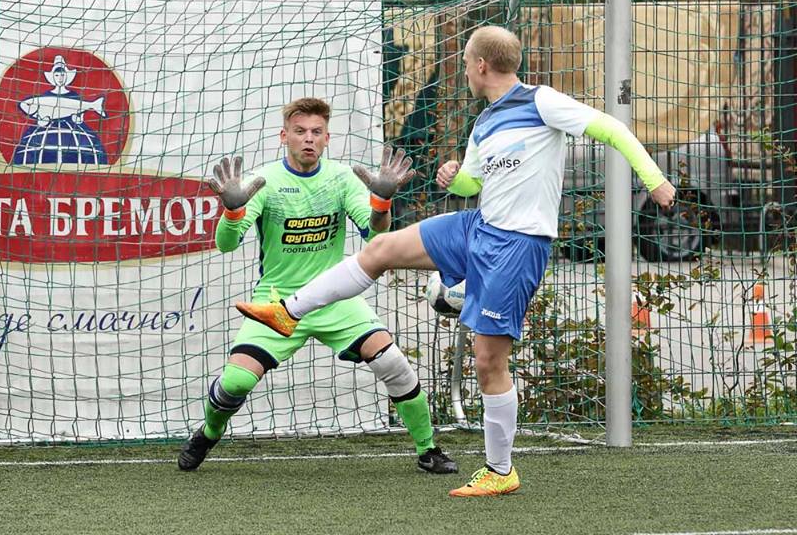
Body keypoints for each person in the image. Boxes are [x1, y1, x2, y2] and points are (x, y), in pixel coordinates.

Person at [236, 26, 677, 497]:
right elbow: (471, 184)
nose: (464, 70)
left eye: (466, 62)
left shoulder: (540, 101)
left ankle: (500, 470)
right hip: (477, 227)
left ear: (481, 65)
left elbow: (613, 128)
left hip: (516, 246)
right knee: (380, 249)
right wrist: (454, 176)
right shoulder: (484, 122)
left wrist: (655, 181)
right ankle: (288, 312)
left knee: (488, 363)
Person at [177, 97, 458, 475]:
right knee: (236, 382)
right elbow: (226, 244)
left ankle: (428, 449)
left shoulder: (341, 178)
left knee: (393, 362)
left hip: (334, 297)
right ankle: (209, 432)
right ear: (284, 136)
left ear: (327, 138)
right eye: (300, 131)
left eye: (316, 132)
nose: (308, 138)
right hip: (277, 302)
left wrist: (382, 202)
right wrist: (232, 211)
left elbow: (376, 236)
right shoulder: (264, 181)